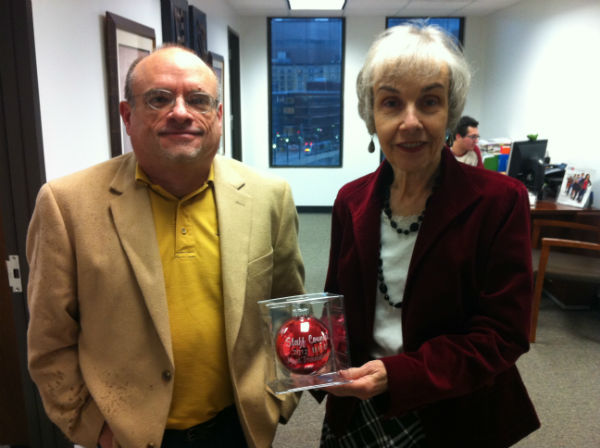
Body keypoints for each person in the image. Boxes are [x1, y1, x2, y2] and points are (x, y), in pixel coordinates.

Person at [26, 45, 305, 448]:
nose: (180, 112)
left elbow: (290, 311)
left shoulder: (269, 197)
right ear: (127, 116)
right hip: (128, 436)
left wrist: (280, 401)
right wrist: (93, 428)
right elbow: (50, 340)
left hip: (239, 427)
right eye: (159, 99)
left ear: (218, 115)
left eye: (198, 100)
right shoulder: (66, 205)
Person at [319, 24, 540, 447]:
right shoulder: (351, 200)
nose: (410, 122)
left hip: (452, 409)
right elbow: (337, 306)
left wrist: (398, 374)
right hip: (359, 402)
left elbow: (503, 334)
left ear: (450, 112)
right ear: (371, 116)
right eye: (391, 103)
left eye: (430, 101)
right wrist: (306, 354)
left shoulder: (499, 201)